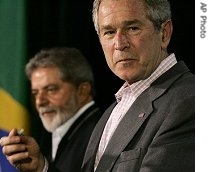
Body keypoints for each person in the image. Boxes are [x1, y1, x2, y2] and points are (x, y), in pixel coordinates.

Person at [0, 0, 195, 171]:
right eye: (109, 32)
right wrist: (41, 167)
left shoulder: (191, 100)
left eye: (132, 28)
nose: (119, 43)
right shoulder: (112, 111)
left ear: (164, 33)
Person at [0, 47, 102, 172]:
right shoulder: (62, 132)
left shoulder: (100, 133)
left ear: (82, 91)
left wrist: (42, 168)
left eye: (51, 89)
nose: (39, 101)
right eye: (35, 93)